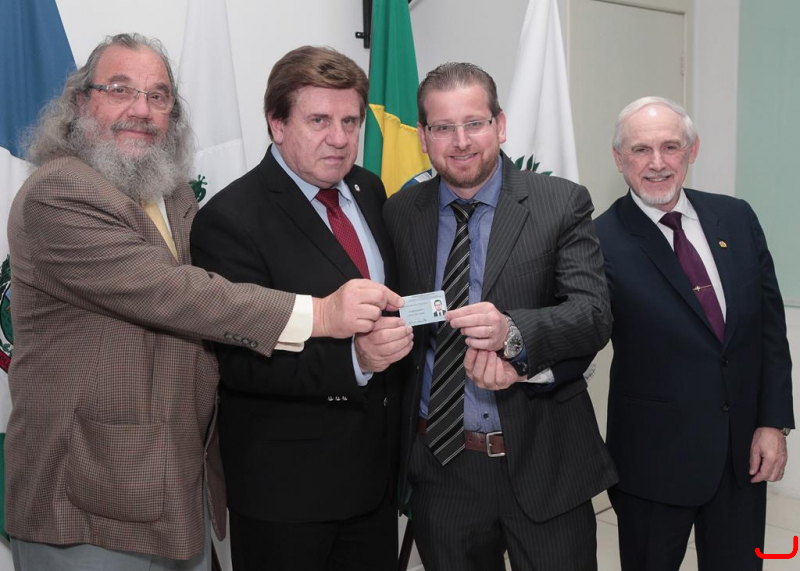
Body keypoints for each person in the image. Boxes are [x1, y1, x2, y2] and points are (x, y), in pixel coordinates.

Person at [5, 34, 400, 571]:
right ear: (81, 102)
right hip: (86, 495)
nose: (141, 109)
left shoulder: (171, 193)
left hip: (178, 488)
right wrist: (322, 314)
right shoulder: (59, 193)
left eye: (158, 95)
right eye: (120, 90)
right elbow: (173, 293)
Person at [383, 62, 617, 571]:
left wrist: (513, 331)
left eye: (475, 123)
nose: (461, 141)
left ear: (500, 125)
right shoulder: (400, 212)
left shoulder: (560, 202)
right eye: (443, 127)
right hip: (442, 468)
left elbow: (593, 315)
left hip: (544, 459)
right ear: (423, 136)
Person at [190, 46, 413, 571]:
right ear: (277, 123)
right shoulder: (230, 218)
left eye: (350, 121)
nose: (339, 138)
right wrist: (355, 360)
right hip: (288, 496)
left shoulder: (368, 188)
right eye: (319, 120)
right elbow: (238, 361)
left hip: (377, 481)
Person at [594, 96, 794, 571]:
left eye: (671, 146)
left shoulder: (736, 218)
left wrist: (773, 423)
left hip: (741, 457)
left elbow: (769, 330)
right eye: (641, 150)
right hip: (653, 467)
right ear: (619, 159)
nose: (657, 163)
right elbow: (578, 332)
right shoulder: (597, 240)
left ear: (692, 150)